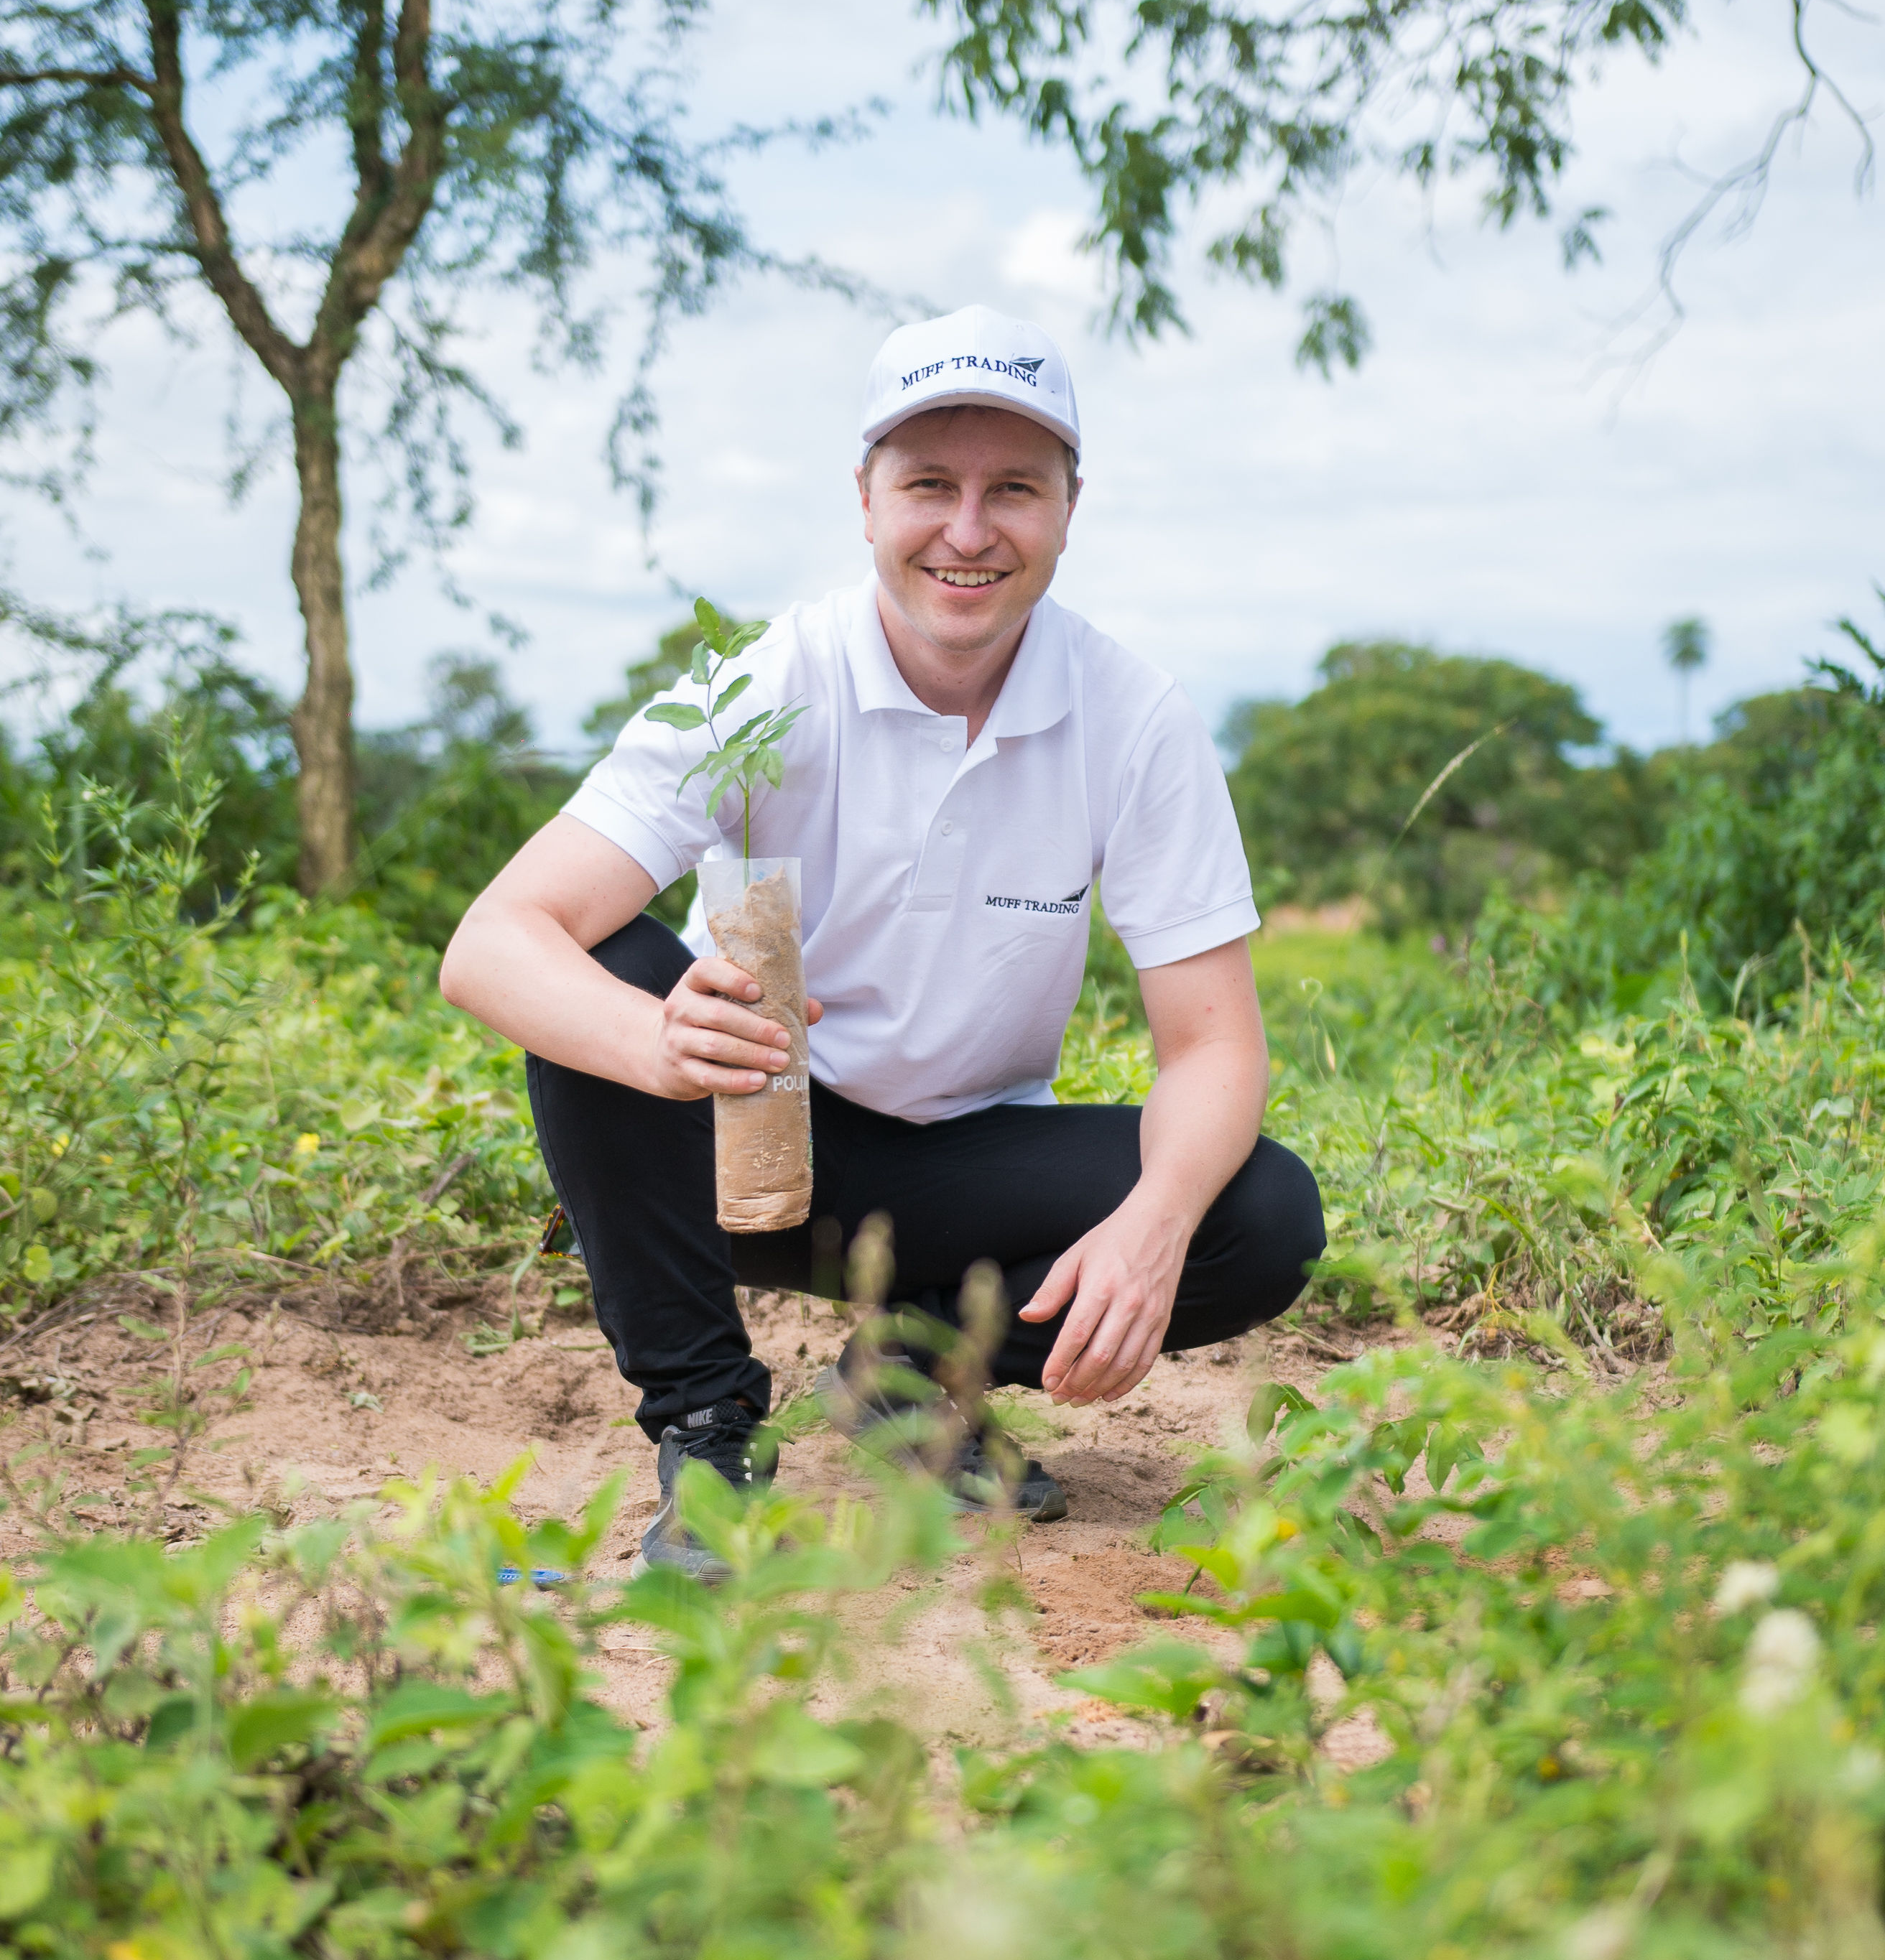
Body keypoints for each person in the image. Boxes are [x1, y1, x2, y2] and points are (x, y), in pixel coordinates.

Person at [440, 305, 1325, 1573]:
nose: (968, 530)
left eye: (1013, 488)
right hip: (746, 1147)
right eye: (928, 486)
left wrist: (1154, 1224)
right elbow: (492, 943)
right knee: (613, 963)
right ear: (865, 499)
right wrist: (659, 1047)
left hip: (963, 1172)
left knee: (1258, 1213)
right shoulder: (760, 688)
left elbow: (1215, 1048)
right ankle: (709, 1433)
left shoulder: (1134, 720)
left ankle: (904, 1377)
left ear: (1069, 507)